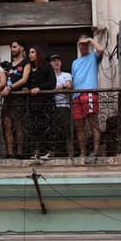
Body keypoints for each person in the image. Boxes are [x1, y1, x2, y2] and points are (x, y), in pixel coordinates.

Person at [71, 33, 105, 162]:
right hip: (76, 95)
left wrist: (90, 39)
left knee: (93, 122)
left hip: (89, 93)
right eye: (81, 44)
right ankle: (83, 152)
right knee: (79, 126)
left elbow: (101, 50)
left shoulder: (93, 57)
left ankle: (96, 150)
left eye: (85, 44)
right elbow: (74, 80)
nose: (83, 46)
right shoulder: (75, 62)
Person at [24, 47, 56, 157]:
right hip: (34, 103)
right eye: (29, 52)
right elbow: (28, 83)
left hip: (46, 102)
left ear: (39, 54)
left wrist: (39, 88)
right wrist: (27, 88)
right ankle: (36, 151)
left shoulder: (47, 67)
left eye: (32, 52)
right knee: (35, 127)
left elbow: (52, 83)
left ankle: (50, 150)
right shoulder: (30, 68)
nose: (30, 54)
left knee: (47, 125)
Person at [1, 41, 31, 158]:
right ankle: (10, 152)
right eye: (11, 47)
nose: (12, 49)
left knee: (18, 124)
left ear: (21, 48)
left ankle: (19, 151)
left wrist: (10, 87)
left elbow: (24, 79)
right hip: (8, 98)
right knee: (7, 124)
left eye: (14, 47)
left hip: (19, 97)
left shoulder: (26, 63)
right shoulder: (9, 65)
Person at [49, 55, 75, 157]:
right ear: (50, 63)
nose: (56, 62)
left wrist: (57, 89)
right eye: (53, 61)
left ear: (61, 62)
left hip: (64, 106)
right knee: (53, 131)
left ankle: (70, 154)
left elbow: (69, 87)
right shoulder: (50, 77)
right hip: (52, 106)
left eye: (58, 60)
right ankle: (53, 153)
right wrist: (62, 87)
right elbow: (51, 89)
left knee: (67, 131)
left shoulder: (67, 75)